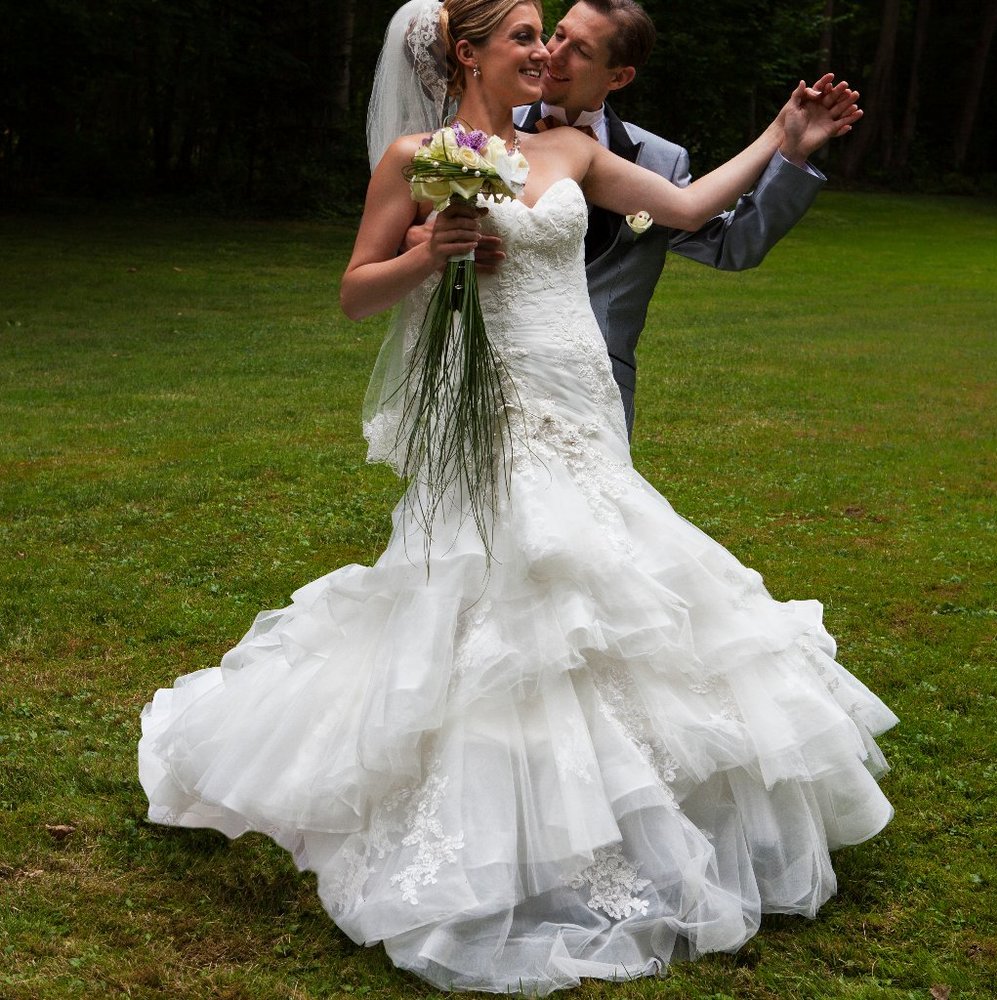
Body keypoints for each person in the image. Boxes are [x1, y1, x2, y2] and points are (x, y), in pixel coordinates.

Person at [139, 0, 897, 994]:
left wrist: (780, 136)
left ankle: (631, 814)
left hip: (581, 401)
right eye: (526, 35)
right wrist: (431, 252)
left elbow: (684, 207)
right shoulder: (422, 155)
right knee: (516, 607)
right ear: (468, 54)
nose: (546, 50)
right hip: (498, 413)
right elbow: (357, 288)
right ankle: (516, 831)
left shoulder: (576, 151)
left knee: (615, 595)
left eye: (550, 36)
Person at [513, 0, 841, 434]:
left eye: (582, 50)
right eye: (558, 34)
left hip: (599, 382)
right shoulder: (487, 136)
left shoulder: (660, 161)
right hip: (500, 359)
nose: (553, 54)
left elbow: (731, 245)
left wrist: (792, 152)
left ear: (619, 76)